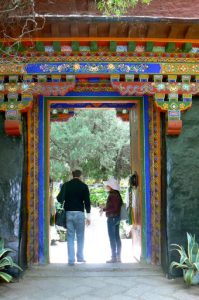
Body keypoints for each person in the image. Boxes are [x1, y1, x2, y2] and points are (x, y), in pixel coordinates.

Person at [57, 169, 91, 266]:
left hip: (68, 213)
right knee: (80, 236)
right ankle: (80, 258)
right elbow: (87, 202)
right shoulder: (84, 186)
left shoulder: (66, 185)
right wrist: (88, 216)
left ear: (72, 175)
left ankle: (71, 260)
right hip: (80, 213)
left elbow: (59, 199)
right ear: (80, 176)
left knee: (70, 237)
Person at [101, 177, 123, 263]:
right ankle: (118, 257)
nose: (106, 186)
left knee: (112, 238)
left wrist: (104, 209)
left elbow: (114, 208)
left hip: (112, 218)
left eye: (108, 185)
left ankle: (114, 257)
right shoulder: (117, 194)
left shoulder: (113, 195)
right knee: (117, 237)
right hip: (116, 217)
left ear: (111, 186)